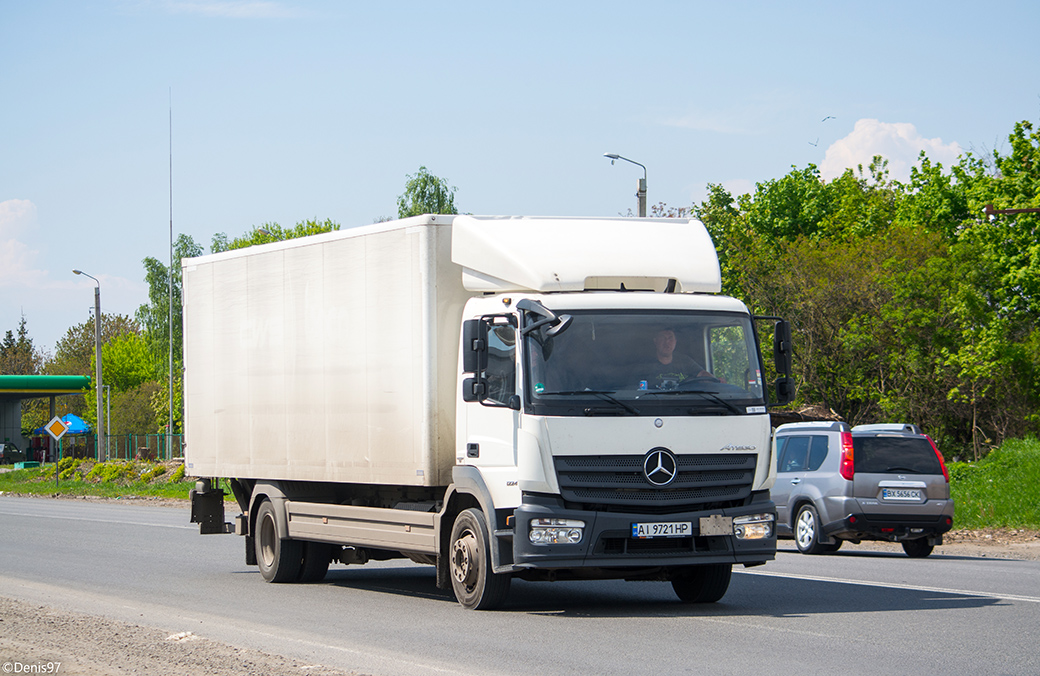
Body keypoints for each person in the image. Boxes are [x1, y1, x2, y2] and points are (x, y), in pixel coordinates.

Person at [640, 328, 713, 390]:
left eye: (670, 338)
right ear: (655, 341)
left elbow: (701, 374)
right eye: (662, 338)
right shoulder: (645, 365)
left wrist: (717, 381)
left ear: (675, 341)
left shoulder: (685, 361)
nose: (667, 342)